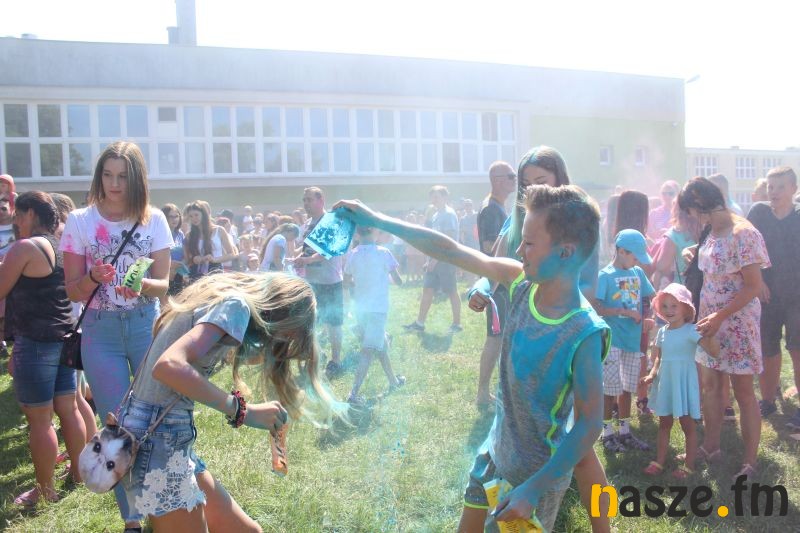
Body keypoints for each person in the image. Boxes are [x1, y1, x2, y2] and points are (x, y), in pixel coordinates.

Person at [334, 185, 609, 532]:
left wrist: (533, 489)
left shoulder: (584, 332)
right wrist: (378, 220)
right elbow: (450, 250)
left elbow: (589, 424)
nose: (519, 251)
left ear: (565, 252)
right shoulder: (519, 281)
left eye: (528, 243)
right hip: (493, 453)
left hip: (532, 482)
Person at [110, 271, 346, 531]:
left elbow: (209, 355)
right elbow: (169, 366)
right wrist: (243, 411)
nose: (283, 338)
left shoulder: (227, 301)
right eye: (289, 333)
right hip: (157, 442)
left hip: (160, 435)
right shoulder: (236, 306)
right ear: (282, 313)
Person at [468, 146, 609, 533]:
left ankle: (604, 523)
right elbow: (494, 265)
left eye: (540, 181)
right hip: (527, 324)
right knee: (561, 443)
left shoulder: (573, 219)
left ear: (559, 180)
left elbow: (587, 283)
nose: (529, 189)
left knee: (583, 452)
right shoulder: (519, 220)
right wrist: (482, 287)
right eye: (525, 183)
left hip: (566, 339)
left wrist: (567, 317)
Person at [60, 141, 172, 531]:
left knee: (154, 419)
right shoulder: (79, 220)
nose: (114, 184)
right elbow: (72, 291)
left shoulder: (154, 219)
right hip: (99, 331)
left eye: (123, 176)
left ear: (136, 179)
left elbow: (164, 284)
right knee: (116, 427)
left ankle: (164, 507)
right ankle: (132, 519)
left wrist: (143, 286)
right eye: (107, 175)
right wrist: (92, 277)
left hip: (144, 325)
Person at [678, 176, 769, 480]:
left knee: (743, 392)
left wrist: (720, 316)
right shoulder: (710, 231)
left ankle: (750, 462)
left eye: (691, 211)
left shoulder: (745, 233)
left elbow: (753, 286)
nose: (691, 217)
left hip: (738, 323)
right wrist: (694, 252)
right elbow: (716, 260)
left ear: (700, 204)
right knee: (711, 386)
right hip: (710, 322)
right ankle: (711, 447)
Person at [1, 191, 87, 506]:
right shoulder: (60, 245)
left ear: (31, 214)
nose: (16, 222)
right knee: (70, 409)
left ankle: (45, 489)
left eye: (18, 216)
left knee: (40, 420)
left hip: (36, 341)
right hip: (64, 338)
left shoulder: (25, 248)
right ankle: (78, 474)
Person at [641, 283, 719, 479]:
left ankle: (689, 465)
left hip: (683, 384)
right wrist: (652, 374)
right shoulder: (662, 332)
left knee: (687, 426)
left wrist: (710, 335)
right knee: (664, 424)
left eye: (674, 306)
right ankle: (659, 461)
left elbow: (714, 352)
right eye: (665, 306)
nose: (669, 310)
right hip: (666, 383)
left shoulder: (692, 330)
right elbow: (658, 358)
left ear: (686, 308)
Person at [593, 229, 655, 453]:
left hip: (632, 341)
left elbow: (649, 297)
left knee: (628, 388)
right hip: (613, 340)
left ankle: (625, 432)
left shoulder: (637, 273)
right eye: (634, 256)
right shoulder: (605, 276)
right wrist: (624, 311)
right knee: (610, 389)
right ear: (621, 251)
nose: (637, 261)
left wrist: (648, 317)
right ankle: (607, 433)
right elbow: (597, 307)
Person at [747, 167, 800, 422]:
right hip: (766, 295)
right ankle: (767, 402)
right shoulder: (759, 213)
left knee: (797, 350)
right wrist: (757, 279)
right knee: (767, 348)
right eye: (770, 187)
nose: (774, 192)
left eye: (780, 187)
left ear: (794, 189)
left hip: (797, 296)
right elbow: (747, 246)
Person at [343, 225, 405, 404]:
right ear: (374, 232)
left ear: (358, 234)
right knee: (368, 351)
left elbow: (346, 281)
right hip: (378, 309)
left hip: (361, 309)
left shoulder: (353, 254)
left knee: (381, 345)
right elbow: (399, 281)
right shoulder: (384, 253)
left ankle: (393, 382)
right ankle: (353, 394)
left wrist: (361, 282)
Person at [473, 161, 517, 406]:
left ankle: (494, 390)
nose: (515, 180)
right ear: (498, 180)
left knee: (501, 337)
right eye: (511, 176)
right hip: (496, 283)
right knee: (495, 337)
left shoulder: (498, 207)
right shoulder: (491, 209)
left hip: (502, 281)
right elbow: (490, 246)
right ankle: (482, 393)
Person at [293, 187, 345, 377]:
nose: (306, 204)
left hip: (330, 281)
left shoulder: (331, 221)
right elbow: (305, 249)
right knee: (312, 321)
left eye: (309, 200)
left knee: (333, 323)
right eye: (304, 200)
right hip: (311, 281)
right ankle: (318, 355)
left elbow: (328, 250)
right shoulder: (307, 224)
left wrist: (306, 260)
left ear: (321, 200)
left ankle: (336, 361)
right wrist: (296, 257)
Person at [404, 186, 462, 333]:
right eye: (432, 197)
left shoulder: (449, 214)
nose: (433, 199)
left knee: (451, 291)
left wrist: (435, 260)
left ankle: (457, 324)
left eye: (436, 196)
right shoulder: (436, 215)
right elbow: (435, 240)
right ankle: (420, 324)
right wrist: (429, 260)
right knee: (427, 289)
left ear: (445, 197)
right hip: (434, 260)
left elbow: (448, 241)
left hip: (446, 260)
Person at [183, 201, 237, 280]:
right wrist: (194, 259)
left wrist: (215, 259)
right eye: (191, 216)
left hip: (216, 272)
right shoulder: (189, 235)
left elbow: (231, 254)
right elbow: (187, 259)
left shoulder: (219, 230)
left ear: (203, 214)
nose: (194, 218)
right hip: (196, 274)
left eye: (196, 215)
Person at [161, 203, 186, 296]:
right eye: (170, 217)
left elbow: (185, 254)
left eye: (176, 216)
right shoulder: (160, 233)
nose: (174, 219)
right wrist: (170, 265)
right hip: (163, 274)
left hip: (178, 273)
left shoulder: (180, 234)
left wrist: (180, 266)